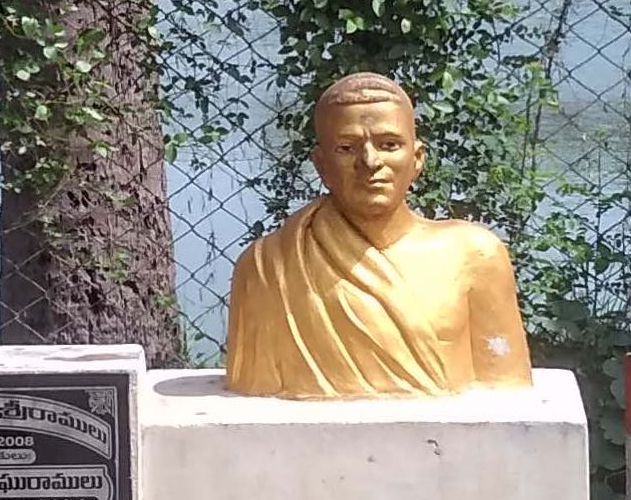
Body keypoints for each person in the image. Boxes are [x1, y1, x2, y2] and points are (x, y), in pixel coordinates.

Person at [222, 73, 531, 399]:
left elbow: (506, 393)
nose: (370, 162)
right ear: (321, 165)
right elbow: (254, 393)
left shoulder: (474, 254)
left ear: (417, 159)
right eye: (346, 148)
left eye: (389, 145)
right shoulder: (270, 267)